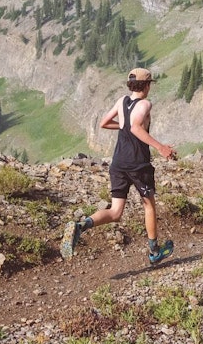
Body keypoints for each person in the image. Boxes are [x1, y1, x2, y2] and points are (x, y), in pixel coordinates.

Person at [62, 68, 178, 265]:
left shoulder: (122, 101)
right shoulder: (145, 104)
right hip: (138, 164)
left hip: (118, 164)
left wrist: (123, 125)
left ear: (130, 85)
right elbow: (135, 127)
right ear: (148, 85)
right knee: (148, 204)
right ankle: (154, 251)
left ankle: (81, 226)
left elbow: (105, 123)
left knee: (116, 212)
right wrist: (161, 147)